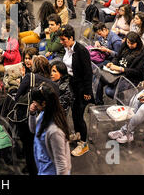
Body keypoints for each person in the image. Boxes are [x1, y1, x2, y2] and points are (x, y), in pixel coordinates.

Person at [15, 55, 57, 175]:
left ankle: (31, 169)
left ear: (35, 67)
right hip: (45, 121)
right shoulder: (54, 85)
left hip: (27, 118)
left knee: (28, 147)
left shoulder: (29, 77)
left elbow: (18, 97)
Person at [57, 25, 93, 157]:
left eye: (64, 39)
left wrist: (87, 92)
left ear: (71, 38)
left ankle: (83, 144)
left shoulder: (81, 51)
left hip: (82, 89)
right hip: (72, 85)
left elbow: (88, 73)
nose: (62, 42)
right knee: (74, 113)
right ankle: (77, 134)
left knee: (79, 116)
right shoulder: (67, 48)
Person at [95, 32, 144, 104]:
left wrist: (121, 69)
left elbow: (138, 71)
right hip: (118, 72)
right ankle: (98, 102)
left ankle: (121, 106)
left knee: (110, 92)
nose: (129, 45)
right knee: (99, 79)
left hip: (131, 77)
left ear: (137, 43)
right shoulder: (125, 45)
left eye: (132, 44)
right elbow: (117, 57)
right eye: (128, 42)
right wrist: (113, 63)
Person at [28, 84, 71, 175]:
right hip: (43, 167)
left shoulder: (55, 131)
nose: (34, 103)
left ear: (44, 103)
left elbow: (61, 165)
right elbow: (33, 130)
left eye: (35, 101)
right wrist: (32, 114)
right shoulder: (44, 114)